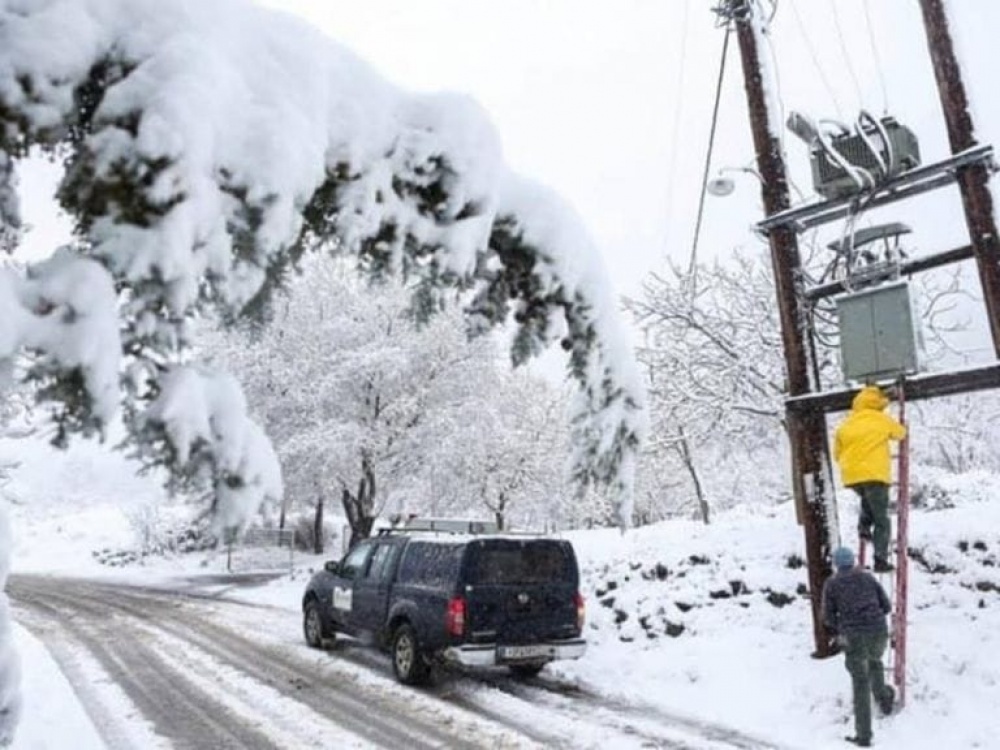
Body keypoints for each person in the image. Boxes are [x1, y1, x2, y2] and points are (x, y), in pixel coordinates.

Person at [822, 546, 895, 748]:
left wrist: (842, 627)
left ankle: (864, 735)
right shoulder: (868, 578)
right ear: (853, 561)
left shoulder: (832, 584)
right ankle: (883, 696)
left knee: (860, 682)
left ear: (836, 564)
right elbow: (887, 606)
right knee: (875, 660)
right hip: (878, 631)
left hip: (854, 636)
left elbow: (827, 617)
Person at [833, 385, 907, 572]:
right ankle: (880, 560)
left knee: (868, 500)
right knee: (882, 519)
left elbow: (836, 454)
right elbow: (900, 433)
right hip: (875, 474)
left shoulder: (846, 424)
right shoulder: (880, 419)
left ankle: (864, 528)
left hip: (851, 476)